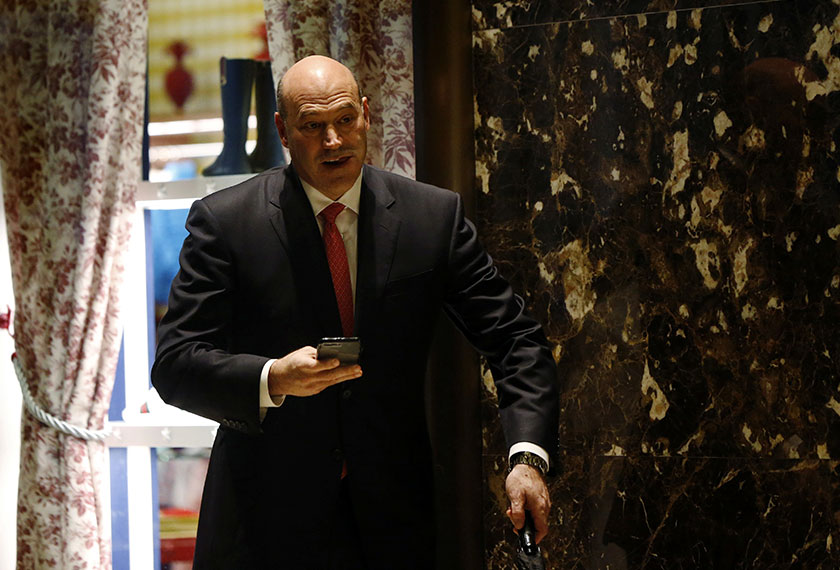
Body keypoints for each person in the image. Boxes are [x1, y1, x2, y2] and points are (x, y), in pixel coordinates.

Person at [152, 55, 559, 569]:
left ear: (366, 114)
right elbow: (175, 364)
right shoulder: (226, 223)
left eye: (345, 120)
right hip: (262, 526)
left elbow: (516, 340)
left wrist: (527, 459)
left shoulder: (431, 218)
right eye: (313, 126)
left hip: (393, 524)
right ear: (282, 130)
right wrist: (272, 377)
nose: (334, 141)